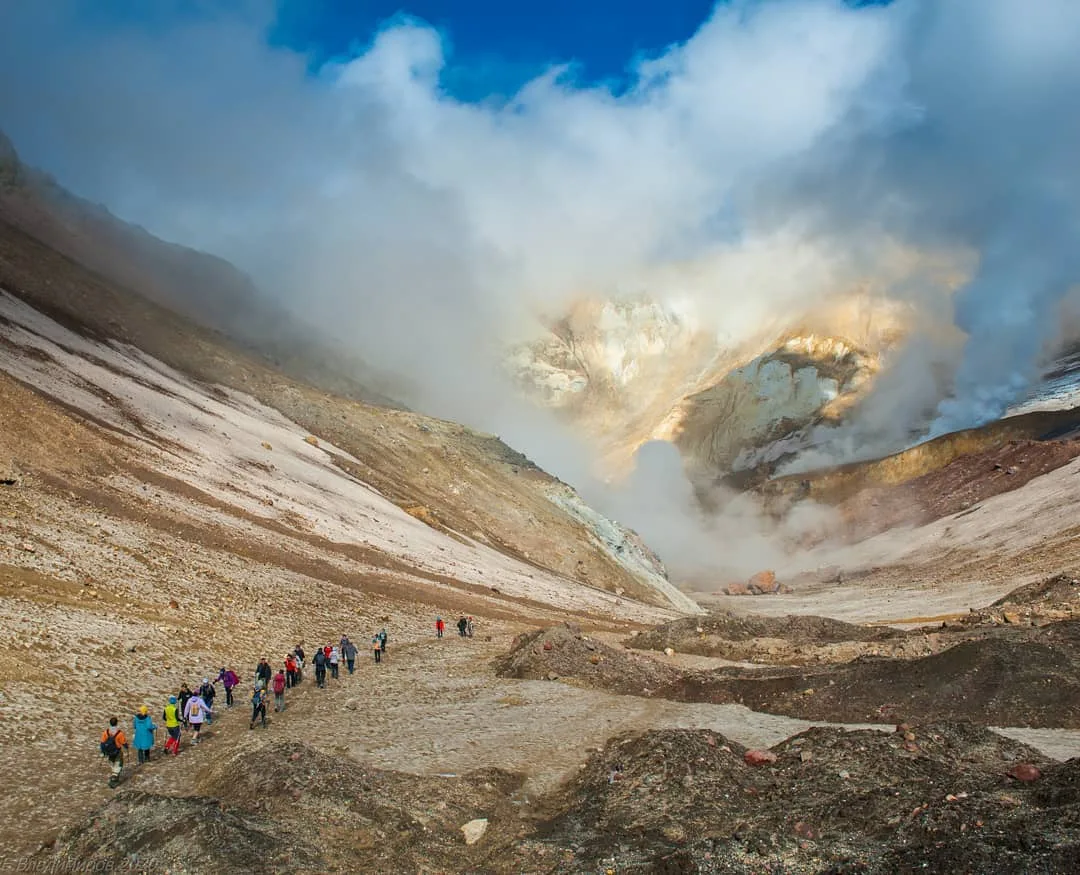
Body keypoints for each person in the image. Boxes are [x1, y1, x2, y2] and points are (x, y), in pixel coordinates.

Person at [100, 717, 128, 788]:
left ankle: (113, 775)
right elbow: (123, 742)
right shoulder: (119, 733)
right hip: (117, 751)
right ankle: (114, 779)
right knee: (119, 764)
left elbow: (102, 742)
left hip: (109, 752)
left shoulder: (106, 732)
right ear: (116, 723)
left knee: (112, 763)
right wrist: (126, 746)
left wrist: (102, 752)